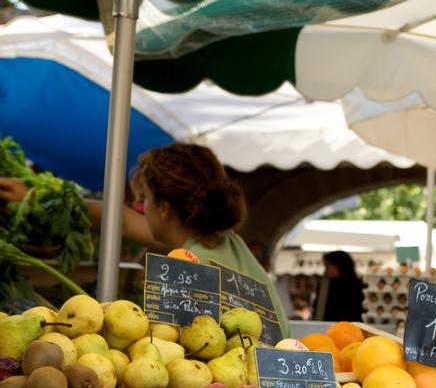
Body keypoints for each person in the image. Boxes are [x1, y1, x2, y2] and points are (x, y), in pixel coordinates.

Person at [0, 142, 290, 335]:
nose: (141, 206)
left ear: (164, 208)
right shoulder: (222, 240)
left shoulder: (188, 271)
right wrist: (36, 199)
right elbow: (123, 222)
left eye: (146, 198)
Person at [314, 250, 365, 322]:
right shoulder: (359, 285)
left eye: (327, 266)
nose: (325, 271)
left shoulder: (327, 287)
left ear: (337, 265)